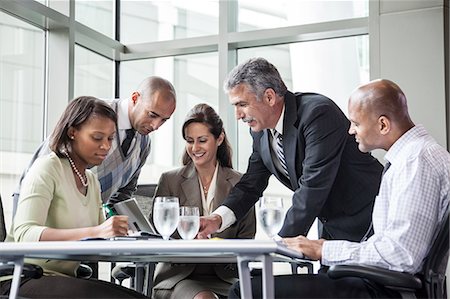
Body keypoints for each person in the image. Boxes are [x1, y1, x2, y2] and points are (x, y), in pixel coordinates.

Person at [229, 79, 450, 298]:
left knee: (244, 290)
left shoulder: (415, 161)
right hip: (380, 283)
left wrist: (322, 249)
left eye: (356, 123)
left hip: (384, 289)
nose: (351, 131)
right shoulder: (414, 157)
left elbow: (400, 255)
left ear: (383, 124)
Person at [199, 57, 383, 243]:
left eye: (242, 105)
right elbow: (251, 184)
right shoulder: (260, 131)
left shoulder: (318, 114)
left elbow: (312, 186)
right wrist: (217, 218)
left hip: (370, 220)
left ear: (269, 97)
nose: (238, 116)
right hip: (331, 226)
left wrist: (279, 245)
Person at [0, 96, 147, 298]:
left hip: (63, 278)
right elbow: (25, 234)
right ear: (72, 133)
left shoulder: (91, 181)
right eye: (97, 138)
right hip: (22, 278)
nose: (106, 146)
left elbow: (96, 240)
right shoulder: (47, 168)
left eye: (110, 138)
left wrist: (122, 235)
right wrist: (97, 230)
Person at [12, 76, 176, 211]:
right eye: (152, 115)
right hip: (39, 206)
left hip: (84, 221)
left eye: (164, 120)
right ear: (135, 98)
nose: (156, 126)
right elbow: (43, 166)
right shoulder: (93, 115)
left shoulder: (144, 143)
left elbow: (124, 193)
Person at [151, 103, 256, 299]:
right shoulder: (170, 180)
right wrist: (188, 240)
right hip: (179, 278)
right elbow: (158, 234)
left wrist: (218, 245)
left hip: (227, 278)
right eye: (190, 141)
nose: (195, 148)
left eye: (202, 140)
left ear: (219, 138)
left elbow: (247, 237)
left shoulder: (239, 184)